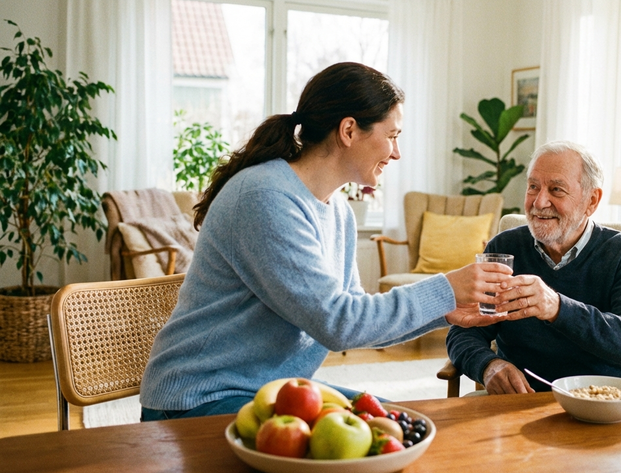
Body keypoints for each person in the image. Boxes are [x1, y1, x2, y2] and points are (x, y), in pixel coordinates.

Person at [140, 62, 512, 420]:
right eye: (392, 136)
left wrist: (443, 310)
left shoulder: (338, 211)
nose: (396, 153)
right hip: (199, 397)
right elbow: (338, 323)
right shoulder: (264, 197)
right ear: (348, 130)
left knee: (403, 424)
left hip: (271, 389)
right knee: (369, 450)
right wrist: (447, 288)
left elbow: (354, 314)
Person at [446, 141, 621, 395]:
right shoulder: (505, 247)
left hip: (602, 404)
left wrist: (557, 307)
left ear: (591, 200)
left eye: (556, 190)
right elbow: (464, 331)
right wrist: (488, 365)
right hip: (523, 403)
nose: (539, 202)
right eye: (533, 187)